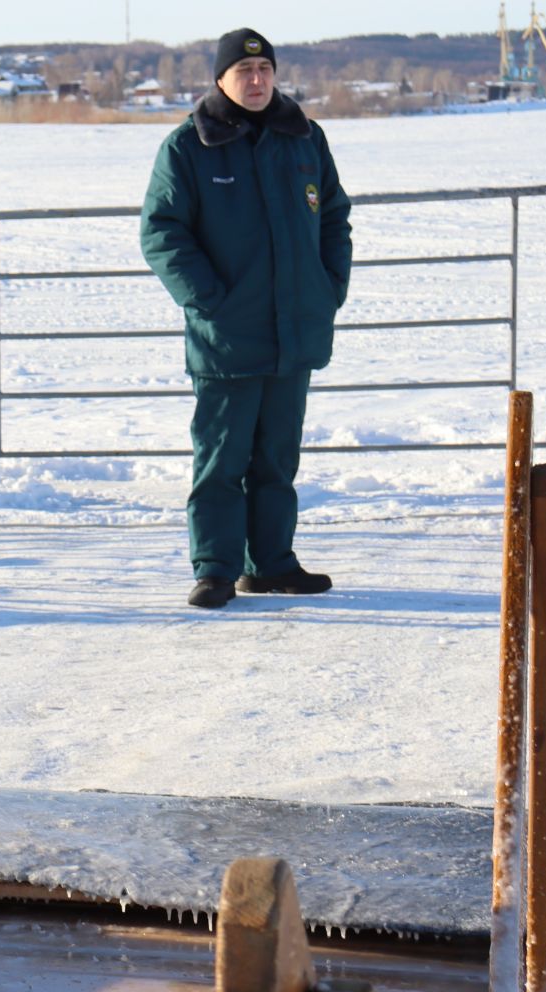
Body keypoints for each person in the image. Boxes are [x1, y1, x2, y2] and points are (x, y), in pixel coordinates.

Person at [140, 28, 352, 609]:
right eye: (243, 73)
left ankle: (272, 564)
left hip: (295, 329)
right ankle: (215, 567)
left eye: (264, 72)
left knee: (277, 458)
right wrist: (210, 299)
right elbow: (161, 233)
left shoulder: (304, 138)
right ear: (221, 80)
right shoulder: (191, 147)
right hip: (228, 336)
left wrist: (328, 287)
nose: (256, 82)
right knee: (222, 458)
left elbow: (334, 217)